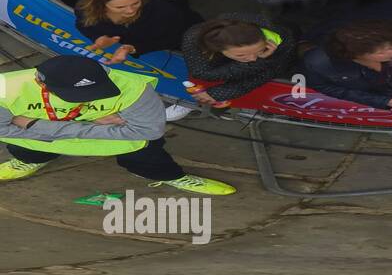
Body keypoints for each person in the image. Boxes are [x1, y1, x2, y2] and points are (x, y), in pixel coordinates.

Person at [0, 53, 235, 196]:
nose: (92, 98)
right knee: (26, 150)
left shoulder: (133, 86)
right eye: (75, 95)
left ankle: (171, 177)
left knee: (150, 157)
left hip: (116, 142)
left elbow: (149, 130)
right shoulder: (5, 88)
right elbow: (2, 129)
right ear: (41, 83)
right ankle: (27, 161)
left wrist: (32, 124)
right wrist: (94, 123)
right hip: (43, 139)